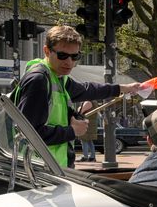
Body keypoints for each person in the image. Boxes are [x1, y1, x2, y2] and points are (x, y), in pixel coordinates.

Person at [14, 25, 140, 167]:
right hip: (37, 170)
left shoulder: (58, 77)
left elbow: (87, 89)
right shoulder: (39, 80)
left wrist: (122, 88)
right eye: (62, 55)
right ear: (47, 51)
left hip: (51, 167)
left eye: (75, 56)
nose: (69, 62)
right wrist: (72, 131)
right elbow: (27, 132)